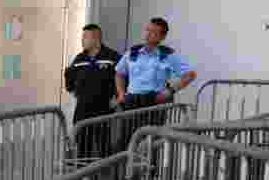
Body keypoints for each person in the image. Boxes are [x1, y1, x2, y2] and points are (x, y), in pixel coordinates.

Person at [115, 17, 197, 149]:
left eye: (153, 32)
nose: (148, 35)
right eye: (147, 30)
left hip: (153, 103)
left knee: (150, 145)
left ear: (162, 37)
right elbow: (119, 73)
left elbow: (190, 75)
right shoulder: (133, 52)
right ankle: (126, 169)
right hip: (131, 102)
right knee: (126, 142)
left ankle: (150, 169)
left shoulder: (167, 55)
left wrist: (170, 91)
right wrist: (120, 93)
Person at [65, 24, 122, 162]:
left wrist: (119, 98)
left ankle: (105, 179)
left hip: (104, 109)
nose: (82, 40)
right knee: (83, 147)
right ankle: (83, 178)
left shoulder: (112, 57)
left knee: (104, 148)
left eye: (85, 37)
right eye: (82, 37)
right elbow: (70, 85)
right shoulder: (79, 59)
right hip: (82, 110)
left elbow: (125, 78)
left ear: (96, 38)